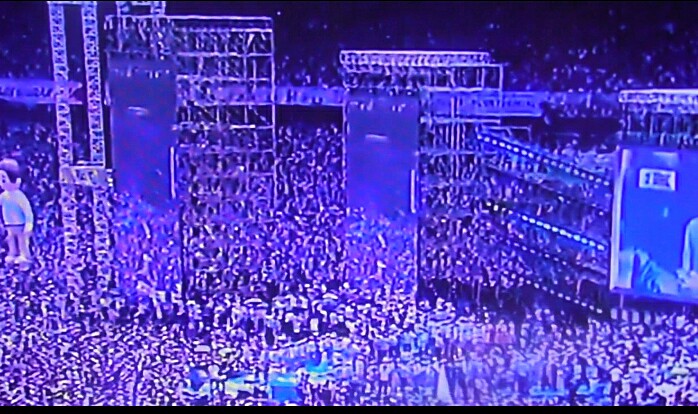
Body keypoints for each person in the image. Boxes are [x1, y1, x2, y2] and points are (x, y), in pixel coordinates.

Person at [0, 158, 34, 266]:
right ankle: (12, 253)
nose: (2, 183)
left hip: (20, 224)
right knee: (10, 239)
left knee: (21, 239)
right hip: (9, 224)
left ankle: (24, 255)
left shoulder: (19, 196)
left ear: (16, 180)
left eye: (4, 180)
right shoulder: (4, 196)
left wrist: (29, 223)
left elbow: (27, 210)